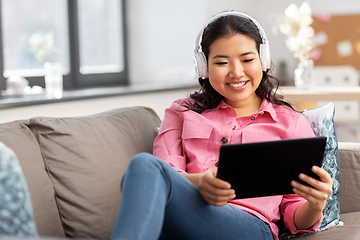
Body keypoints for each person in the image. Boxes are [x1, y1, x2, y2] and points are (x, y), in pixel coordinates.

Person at [110, 11, 333, 240]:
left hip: (251, 227)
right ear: (204, 67)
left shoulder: (291, 123)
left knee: (144, 168)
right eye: (222, 62)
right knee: (144, 166)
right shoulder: (181, 112)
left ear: (263, 61)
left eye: (247, 60)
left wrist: (316, 205)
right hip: (186, 217)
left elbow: (294, 214)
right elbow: (166, 176)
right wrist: (199, 182)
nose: (236, 72)